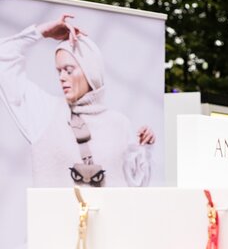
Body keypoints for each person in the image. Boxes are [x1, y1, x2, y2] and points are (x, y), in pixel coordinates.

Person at [0, 13, 155, 188]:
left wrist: (144, 151)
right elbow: (2, 58)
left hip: (111, 216)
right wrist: (41, 32)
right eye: (59, 71)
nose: (62, 77)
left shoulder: (119, 123)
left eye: (69, 69)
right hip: (57, 215)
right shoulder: (45, 112)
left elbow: (137, 188)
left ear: (91, 70)